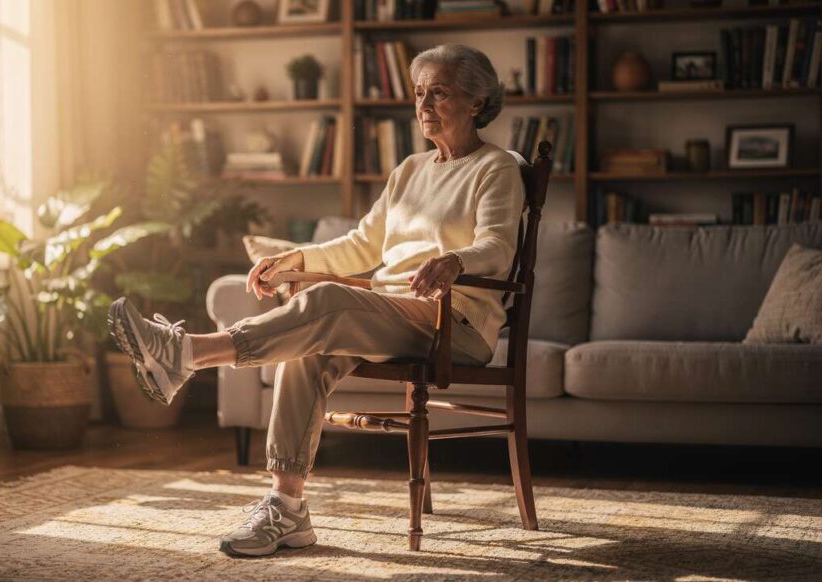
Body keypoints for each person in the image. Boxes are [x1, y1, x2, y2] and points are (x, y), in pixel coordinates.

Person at [107, 43, 524, 558]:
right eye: (419, 92)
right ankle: (287, 510)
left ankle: (185, 354)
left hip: (453, 323)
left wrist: (455, 261)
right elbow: (360, 245)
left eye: (439, 92)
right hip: (393, 314)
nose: (424, 104)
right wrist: (293, 260)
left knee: (327, 301)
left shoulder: (497, 167)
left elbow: (498, 247)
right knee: (303, 351)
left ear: (477, 102)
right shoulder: (411, 171)